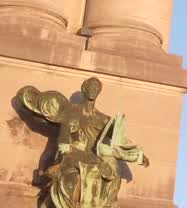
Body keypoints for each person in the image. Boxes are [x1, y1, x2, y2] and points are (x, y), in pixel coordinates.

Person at [17, 77, 149, 208]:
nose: (94, 89)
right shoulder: (71, 113)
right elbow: (63, 143)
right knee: (72, 180)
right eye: (91, 86)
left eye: (97, 87)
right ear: (84, 89)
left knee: (111, 174)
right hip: (71, 155)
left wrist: (137, 154)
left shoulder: (103, 119)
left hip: (94, 158)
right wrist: (81, 155)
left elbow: (121, 140)